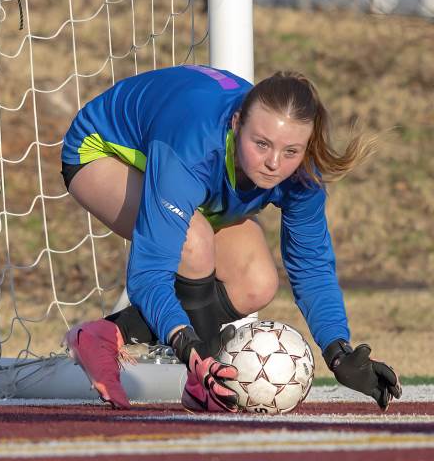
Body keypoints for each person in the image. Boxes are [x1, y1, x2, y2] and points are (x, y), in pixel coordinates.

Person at [60, 65, 402, 413]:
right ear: (237, 123)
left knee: (257, 282)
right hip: (102, 150)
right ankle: (200, 379)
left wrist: (338, 351)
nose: (273, 163)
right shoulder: (193, 145)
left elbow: (312, 267)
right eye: (262, 144)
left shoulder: (301, 175)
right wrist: (189, 346)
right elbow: (149, 274)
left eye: (290, 151)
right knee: (192, 242)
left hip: (189, 174)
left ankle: (105, 335)